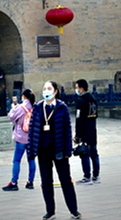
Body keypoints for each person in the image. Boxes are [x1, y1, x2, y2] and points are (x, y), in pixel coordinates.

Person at [28, 81, 81, 220]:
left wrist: (68, 151)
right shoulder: (38, 107)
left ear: (55, 91)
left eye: (49, 88)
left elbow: (67, 130)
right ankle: (50, 211)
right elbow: (32, 130)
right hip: (43, 150)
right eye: (44, 88)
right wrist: (31, 151)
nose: (46, 91)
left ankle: (74, 210)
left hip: (59, 150)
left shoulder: (62, 107)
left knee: (65, 180)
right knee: (46, 182)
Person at [3, 89, 36, 191]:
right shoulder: (35, 107)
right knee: (31, 160)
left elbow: (10, 117)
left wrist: (13, 108)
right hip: (31, 138)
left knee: (16, 160)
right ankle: (30, 182)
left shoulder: (20, 107)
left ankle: (14, 182)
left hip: (21, 137)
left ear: (23, 96)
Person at [74, 79, 100, 185]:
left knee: (85, 154)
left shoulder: (81, 101)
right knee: (94, 153)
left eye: (77, 88)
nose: (76, 90)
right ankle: (96, 175)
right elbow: (96, 115)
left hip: (84, 131)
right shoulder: (93, 99)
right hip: (92, 130)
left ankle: (87, 176)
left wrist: (77, 135)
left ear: (81, 88)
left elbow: (79, 119)